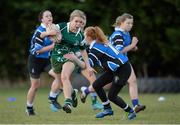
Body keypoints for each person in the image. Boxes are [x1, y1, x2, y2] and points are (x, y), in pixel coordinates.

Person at [81, 26, 136, 120]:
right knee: (96, 85)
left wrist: (73, 58)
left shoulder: (96, 48)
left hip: (122, 69)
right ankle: (107, 109)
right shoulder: (98, 44)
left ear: (89, 37)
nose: (83, 37)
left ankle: (130, 111)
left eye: (84, 35)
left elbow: (87, 64)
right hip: (115, 69)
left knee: (112, 96)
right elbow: (87, 53)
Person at [50, 9, 93, 113]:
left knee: (65, 77)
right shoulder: (62, 26)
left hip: (70, 58)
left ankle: (67, 103)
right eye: (76, 21)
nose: (78, 24)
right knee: (60, 83)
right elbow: (50, 31)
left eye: (81, 22)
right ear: (71, 20)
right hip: (56, 57)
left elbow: (83, 51)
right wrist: (55, 37)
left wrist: (89, 66)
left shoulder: (80, 35)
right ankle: (72, 93)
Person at [26, 10, 62, 116]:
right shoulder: (39, 31)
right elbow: (38, 51)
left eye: (51, 16)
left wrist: (58, 38)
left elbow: (58, 40)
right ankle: (29, 108)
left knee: (59, 77)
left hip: (47, 60)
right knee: (35, 86)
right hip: (35, 60)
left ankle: (52, 98)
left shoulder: (53, 29)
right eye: (47, 16)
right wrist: (53, 46)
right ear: (42, 19)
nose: (49, 18)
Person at [109, 13, 146, 113]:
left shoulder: (126, 33)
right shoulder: (118, 35)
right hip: (116, 62)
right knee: (104, 84)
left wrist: (133, 47)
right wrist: (133, 44)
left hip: (123, 61)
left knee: (132, 81)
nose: (130, 25)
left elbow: (125, 48)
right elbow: (119, 51)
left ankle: (136, 105)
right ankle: (86, 90)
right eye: (128, 23)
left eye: (132, 23)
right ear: (121, 23)